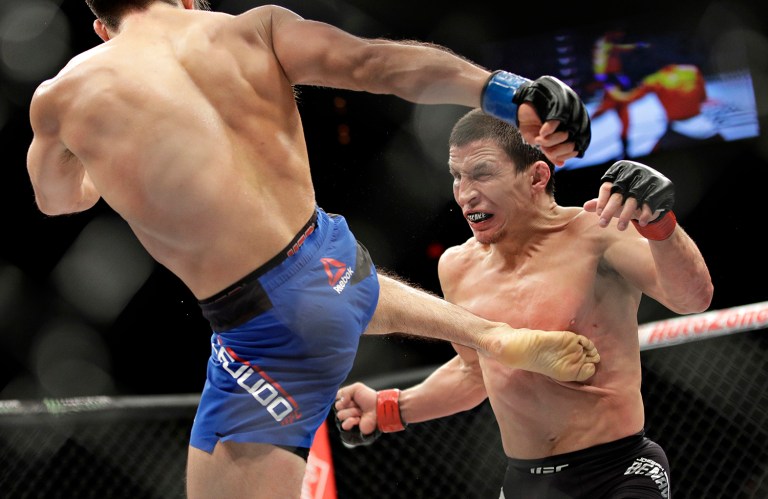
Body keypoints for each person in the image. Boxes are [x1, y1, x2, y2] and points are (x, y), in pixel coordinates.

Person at [25, 1, 598, 497]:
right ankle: (489, 334)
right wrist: (507, 92)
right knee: (328, 282)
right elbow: (377, 62)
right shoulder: (254, 29)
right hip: (327, 253)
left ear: (101, 26)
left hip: (264, 326)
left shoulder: (64, 95)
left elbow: (57, 201)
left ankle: (488, 336)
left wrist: (101, 160)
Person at [335, 109, 713, 498]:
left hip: (618, 470)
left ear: (536, 176)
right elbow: (475, 372)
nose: (465, 193)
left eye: (482, 173)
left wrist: (662, 227)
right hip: (526, 484)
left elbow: (692, 298)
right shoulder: (457, 267)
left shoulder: (597, 234)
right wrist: (390, 409)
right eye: (456, 176)